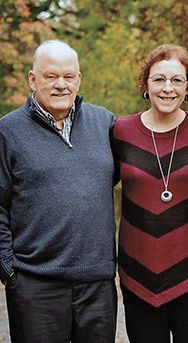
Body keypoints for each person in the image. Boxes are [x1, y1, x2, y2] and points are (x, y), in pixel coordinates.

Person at [0, 40, 118, 342]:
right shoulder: (7, 132)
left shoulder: (104, 123)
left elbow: (142, 172)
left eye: (68, 76)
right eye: (51, 76)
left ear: (79, 78)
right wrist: (9, 272)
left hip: (97, 285)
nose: (61, 85)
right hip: (35, 285)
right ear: (33, 79)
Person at [111, 44, 188, 343]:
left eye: (177, 80)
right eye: (159, 79)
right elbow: (93, 183)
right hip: (138, 271)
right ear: (145, 85)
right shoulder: (121, 131)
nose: (167, 88)